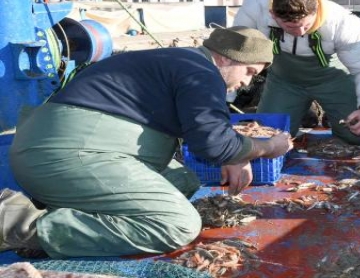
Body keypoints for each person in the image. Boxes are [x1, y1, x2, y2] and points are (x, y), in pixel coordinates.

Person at [3, 26, 293, 258]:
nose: (246, 84)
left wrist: (236, 154)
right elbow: (213, 145)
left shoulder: (181, 60)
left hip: (67, 145)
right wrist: (268, 148)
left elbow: (212, 137)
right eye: (250, 72)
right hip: (66, 154)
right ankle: (20, 224)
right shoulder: (202, 73)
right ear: (227, 58)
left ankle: (70, 207)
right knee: (178, 225)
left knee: (186, 183)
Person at [233, 0, 360, 145]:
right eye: (290, 27)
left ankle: (334, 114)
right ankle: (299, 113)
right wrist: (227, 98)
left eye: (306, 25)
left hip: (333, 80)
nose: (300, 32)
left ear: (316, 10)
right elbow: (235, 55)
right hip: (284, 81)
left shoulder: (341, 21)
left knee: (358, 133)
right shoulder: (255, 7)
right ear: (272, 15)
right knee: (267, 134)